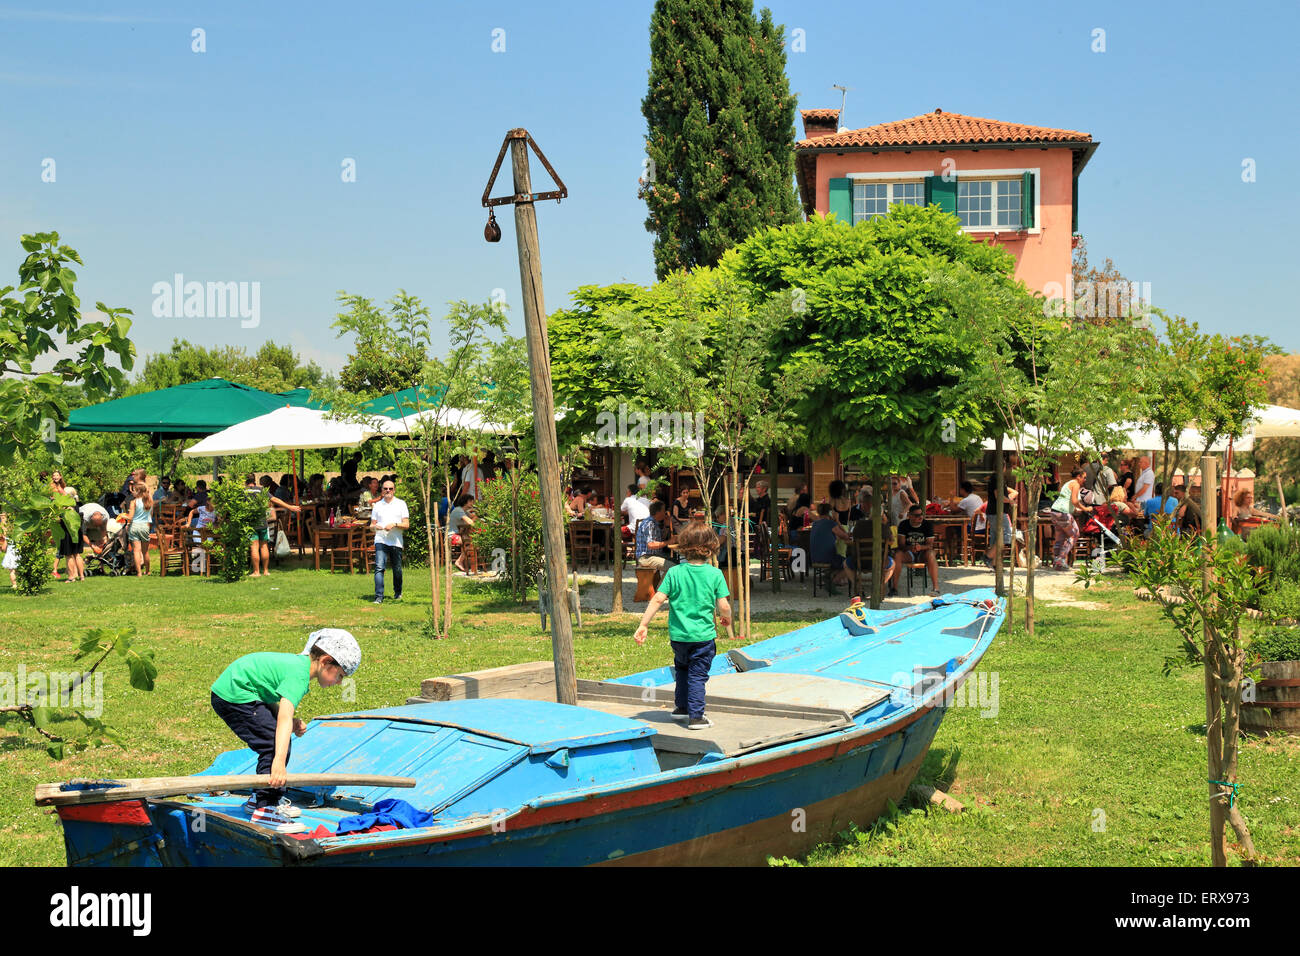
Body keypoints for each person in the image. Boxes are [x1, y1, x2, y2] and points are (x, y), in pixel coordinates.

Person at [210, 628, 360, 831]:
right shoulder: (299, 676)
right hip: (233, 695)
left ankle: (258, 800)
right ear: (325, 661)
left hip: (241, 688)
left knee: (275, 737)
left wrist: (292, 720)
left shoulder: (298, 667)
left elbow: (267, 692)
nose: (340, 682)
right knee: (273, 745)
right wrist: (278, 763)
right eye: (340, 675)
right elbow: (283, 718)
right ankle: (265, 809)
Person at [633, 521, 731, 731]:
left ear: (684, 547)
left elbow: (658, 599)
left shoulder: (675, 573)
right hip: (702, 638)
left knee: (683, 671)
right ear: (710, 548)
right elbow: (723, 605)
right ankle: (696, 717)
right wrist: (727, 618)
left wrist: (644, 624)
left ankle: (681, 708)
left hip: (678, 637)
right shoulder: (714, 574)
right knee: (697, 675)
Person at [246, 474, 301, 578]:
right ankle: (266, 571)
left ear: (245, 482)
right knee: (264, 546)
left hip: (251, 523)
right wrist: (290, 506)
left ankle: (256, 572)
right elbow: (275, 499)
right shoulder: (261, 490)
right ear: (255, 481)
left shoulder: (242, 492)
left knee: (254, 547)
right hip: (262, 522)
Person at [370, 478, 409, 602]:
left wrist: (395, 524)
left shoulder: (401, 504)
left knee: (397, 568)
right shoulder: (377, 506)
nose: (388, 490)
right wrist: (374, 527)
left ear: (394, 490)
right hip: (380, 539)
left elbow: (406, 524)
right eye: (385, 488)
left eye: (390, 488)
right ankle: (378, 596)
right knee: (379, 567)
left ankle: (398, 593)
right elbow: (371, 525)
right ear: (382, 491)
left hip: (395, 540)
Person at [889, 505, 940, 597]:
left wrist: (921, 547)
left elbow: (930, 545)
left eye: (921, 514)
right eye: (917, 515)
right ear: (910, 516)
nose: (920, 517)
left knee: (931, 554)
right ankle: (894, 588)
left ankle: (936, 588)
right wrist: (910, 548)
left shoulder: (927, 525)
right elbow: (901, 545)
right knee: (897, 555)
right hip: (908, 552)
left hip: (923, 552)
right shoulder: (903, 524)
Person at [1049, 466, 1093, 570]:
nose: (1085, 480)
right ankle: (1061, 559)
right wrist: (1086, 509)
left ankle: (1056, 561)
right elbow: (1074, 501)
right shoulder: (1076, 484)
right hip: (1063, 512)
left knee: (1060, 537)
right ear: (1078, 476)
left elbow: (1070, 503)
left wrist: (1077, 509)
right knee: (1074, 534)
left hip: (1055, 511)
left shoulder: (1067, 483)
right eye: (1084, 477)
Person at [810, 502, 854, 590]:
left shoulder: (815, 524)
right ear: (830, 512)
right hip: (828, 557)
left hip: (814, 557)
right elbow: (844, 536)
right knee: (852, 563)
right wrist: (837, 521)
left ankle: (832, 578)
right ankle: (833, 581)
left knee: (840, 561)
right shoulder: (830, 523)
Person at [124, 481, 153, 577]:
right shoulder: (149, 501)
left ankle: (139, 573)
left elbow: (130, 517)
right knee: (145, 551)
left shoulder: (134, 502)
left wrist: (123, 516)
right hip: (145, 526)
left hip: (135, 526)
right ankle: (148, 571)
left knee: (136, 551)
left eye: (134, 490)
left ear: (139, 491)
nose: (133, 492)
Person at [635, 500, 673, 571]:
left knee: (676, 562)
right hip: (646, 558)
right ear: (658, 512)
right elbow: (651, 544)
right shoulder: (649, 523)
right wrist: (669, 542)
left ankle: (663, 582)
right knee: (673, 567)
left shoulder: (655, 523)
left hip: (654, 555)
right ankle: (662, 582)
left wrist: (667, 525)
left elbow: (661, 539)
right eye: (663, 510)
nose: (665, 513)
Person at [446, 493, 475, 574]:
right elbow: (470, 522)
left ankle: (466, 561)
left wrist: (476, 514)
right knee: (471, 542)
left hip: (459, 535)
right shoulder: (458, 510)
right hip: (452, 536)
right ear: (466, 502)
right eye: (471, 501)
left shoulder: (463, 511)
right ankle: (459, 561)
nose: (473, 503)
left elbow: (472, 517)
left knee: (472, 541)